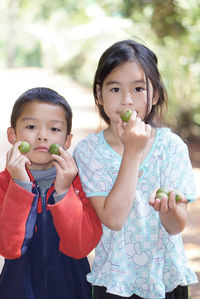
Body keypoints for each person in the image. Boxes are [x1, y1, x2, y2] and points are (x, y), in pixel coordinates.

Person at [73, 40, 198, 299]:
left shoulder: (171, 147)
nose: (127, 100)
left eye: (139, 88)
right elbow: (113, 219)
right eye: (115, 88)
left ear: (155, 95)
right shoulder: (88, 151)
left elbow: (176, 226)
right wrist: (132, 151)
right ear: (99, 94)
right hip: (113, 282)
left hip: (166, 279)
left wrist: (170, 208)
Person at [0, 87, 102, 299]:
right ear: (12, 135)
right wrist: (19, 184)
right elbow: (9, 247)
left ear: (67, 141)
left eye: (54, 129)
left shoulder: (79, 183)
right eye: (31, 126)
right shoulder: (4, 183)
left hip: (74, 289)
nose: (42, 136)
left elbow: (79, 247)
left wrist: (64, 190)